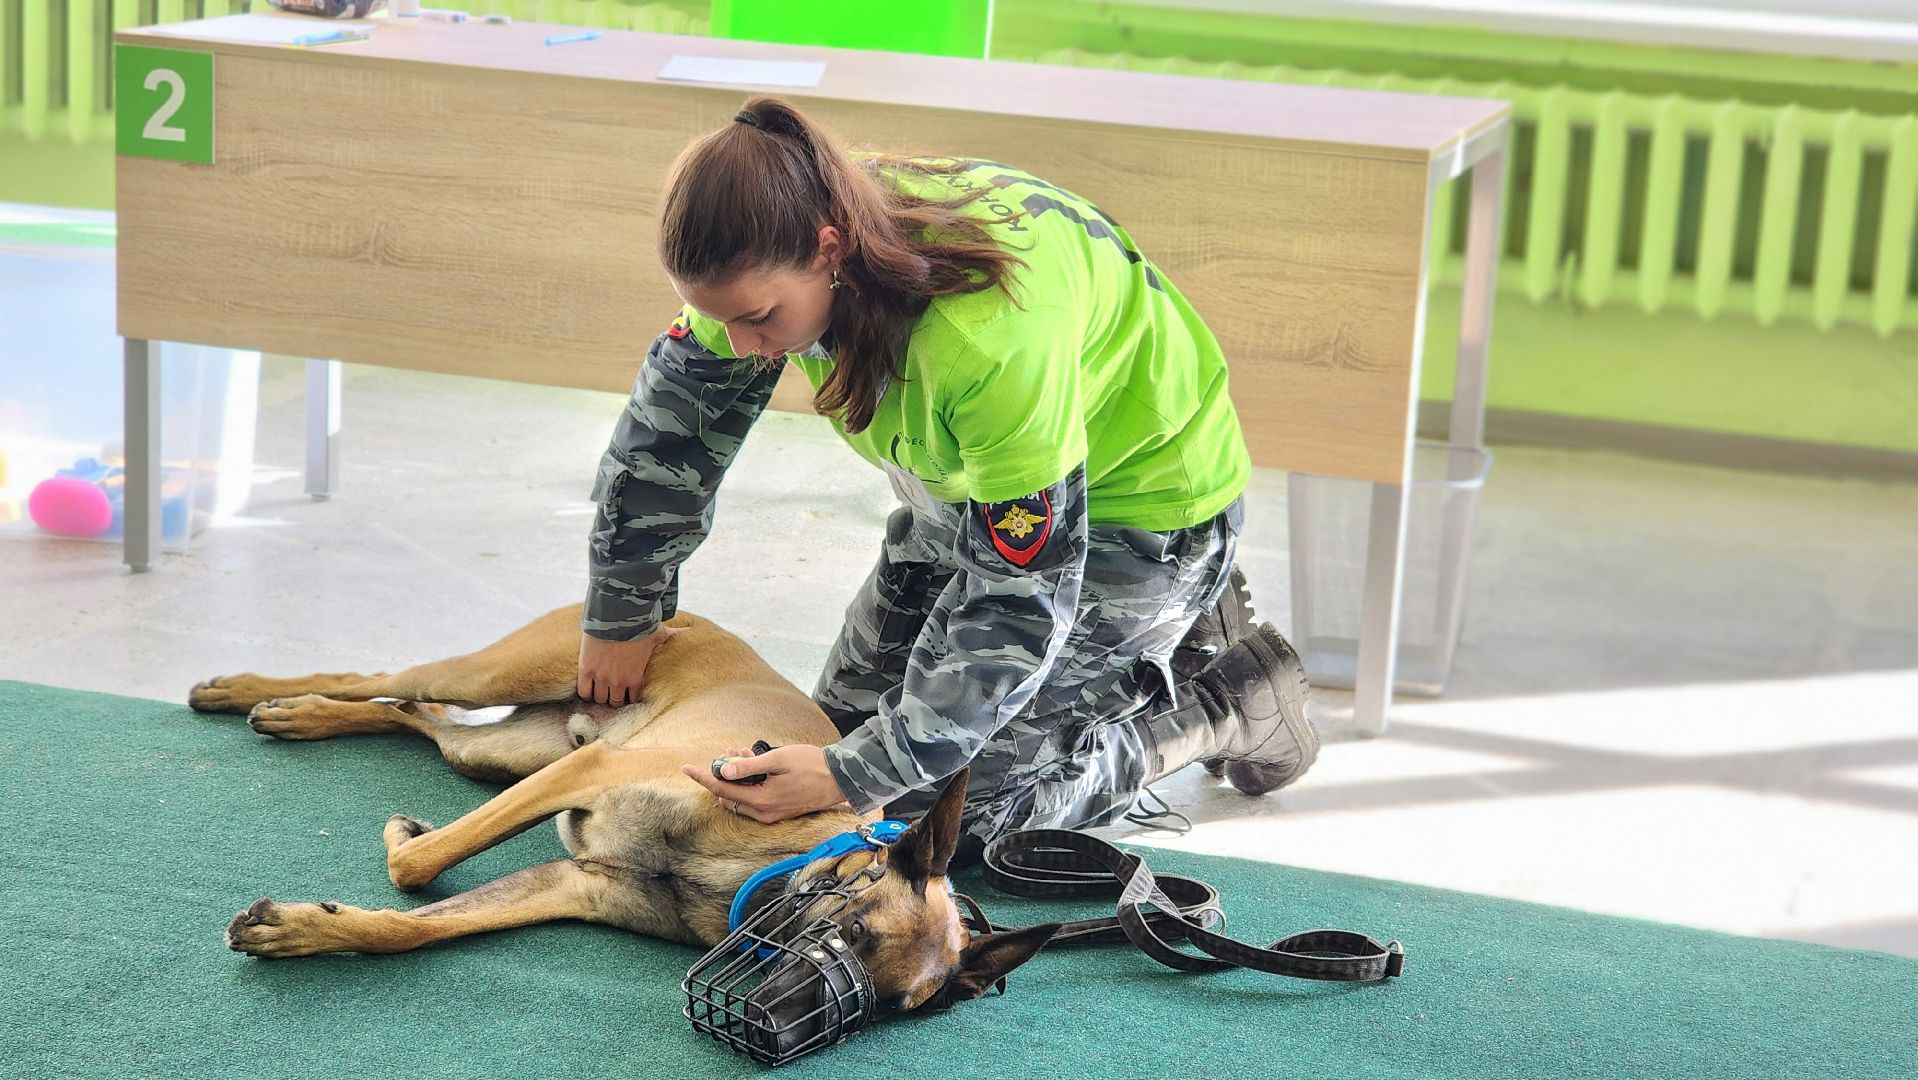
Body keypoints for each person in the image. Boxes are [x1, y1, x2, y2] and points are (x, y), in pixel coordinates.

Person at [576, 95, 1317, 863]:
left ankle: (1222, 701)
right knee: (817, 745)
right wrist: (619, 614)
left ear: (831, 250)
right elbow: (668, 434)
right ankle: (1153, 639)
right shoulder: (775, 229)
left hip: (1135, 521)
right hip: (963, 502)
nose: (742, 343)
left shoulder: (984, 344)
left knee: (943, 818)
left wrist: (857, 776)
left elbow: (1020, 597)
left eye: (759, 318)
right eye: (720, 317)